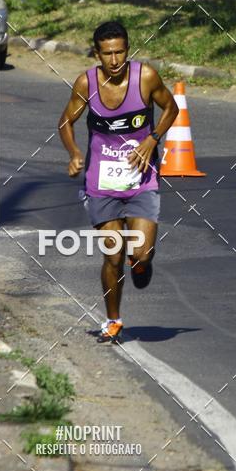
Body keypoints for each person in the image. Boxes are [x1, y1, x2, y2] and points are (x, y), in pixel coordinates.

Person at [58, 20, 178, 343]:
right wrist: (73, 153)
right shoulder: (86, 84)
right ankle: (113, 320)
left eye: (121, 52)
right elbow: (65, 123)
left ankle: (141, 263)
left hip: (141, 180)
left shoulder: (146, 77)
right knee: (113, 256)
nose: (115, 61)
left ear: (128, 50)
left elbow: (171, 107)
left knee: (139, 253)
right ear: (97, 53)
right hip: (101, 184)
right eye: (108, 54)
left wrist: (152, 139)